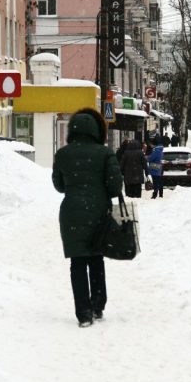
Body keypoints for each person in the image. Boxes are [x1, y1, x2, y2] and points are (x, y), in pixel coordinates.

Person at [52, 108, 123, 328]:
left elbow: (59, 185)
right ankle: (97, 305)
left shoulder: (62, 154)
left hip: (71, 213)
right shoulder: (105, 154)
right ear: (96, 130)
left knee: (77, 263)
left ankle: (83, 313)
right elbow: (114, 187)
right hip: (99, 213)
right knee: (96, 259)